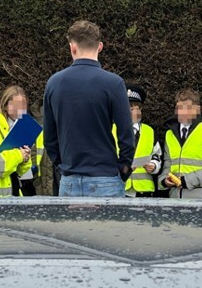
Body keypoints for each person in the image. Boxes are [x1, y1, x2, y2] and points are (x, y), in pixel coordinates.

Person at [43, 20, 134, 197]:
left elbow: (49, 137)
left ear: (72, 47)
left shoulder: (54, 83)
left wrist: (62, 165)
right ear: (100, 46)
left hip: (69, 179)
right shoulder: (113, 83)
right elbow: (126, 135)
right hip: (106, 178)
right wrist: (123, 168)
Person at [158, 88, 202, 199]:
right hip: (175, 197)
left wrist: (187, 181)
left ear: (197, 110)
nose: (181, 112)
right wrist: (164, 181)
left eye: (187, 108)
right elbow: (167, 165)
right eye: (179, 108)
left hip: (201, 197)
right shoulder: (170, 134)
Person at [115, 84, 162, 197]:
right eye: (128, 108)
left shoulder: (149, 131)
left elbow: (157, 154)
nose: (131, 111)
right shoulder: (111, 130)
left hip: (143, 191)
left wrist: (154, 166)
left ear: (140, 109)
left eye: (134, 107)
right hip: (118, 188)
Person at [0, 85, 42, 196]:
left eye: (22, 105)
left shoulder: (30, 125)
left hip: (24, 179)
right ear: (5, 105)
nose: (19, 109)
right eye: (14, 105)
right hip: (2, 176)